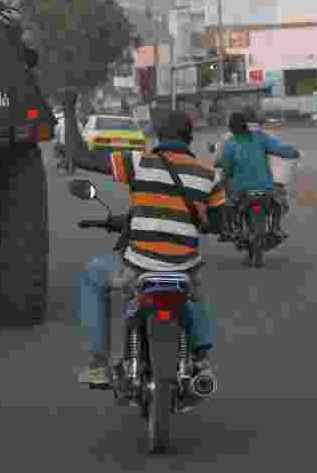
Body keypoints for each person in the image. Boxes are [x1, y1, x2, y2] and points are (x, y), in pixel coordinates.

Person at [63, 90, 225, 388]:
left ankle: (99, 364)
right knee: (196, 293)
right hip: (183, 267)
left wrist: (68, 110)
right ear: (190, 139)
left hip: (139, 267)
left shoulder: (139, 163)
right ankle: (201, 361)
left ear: (157, 138)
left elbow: (78, 155)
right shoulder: (208, 176)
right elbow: (216, 225)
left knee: (92, 276)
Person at [217, 110, 300, 242]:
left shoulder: (230, 144)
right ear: (247, 125)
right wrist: (293, 152)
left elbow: (226, 170)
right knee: (278, 202)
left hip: (242, 189)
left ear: (231, 128)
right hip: (265, 187)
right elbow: (280, 150)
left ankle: (231, 230)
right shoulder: (260, 137)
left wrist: (222, 180)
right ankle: (275, 227)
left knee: (227, 205)